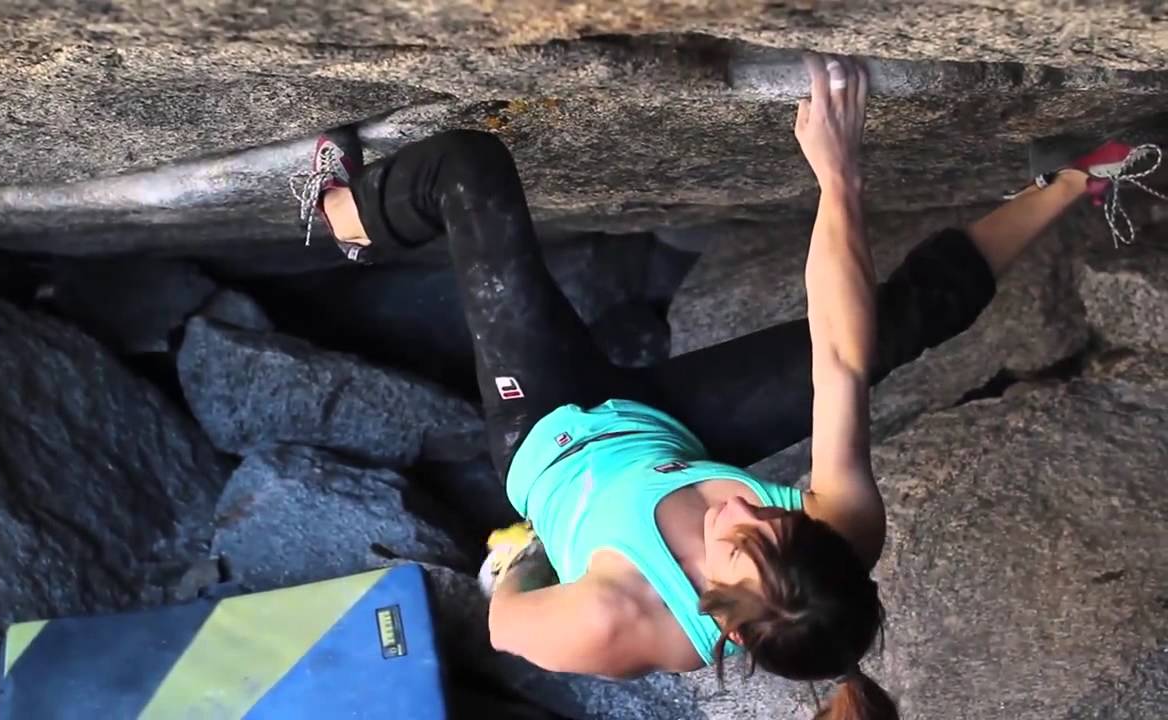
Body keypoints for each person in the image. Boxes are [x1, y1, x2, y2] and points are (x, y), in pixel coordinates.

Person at [291, 54, 1162, 720]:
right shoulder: (839, 534)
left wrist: (521, 557)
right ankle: (1076, 183)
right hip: (667, 431)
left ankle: (344, 217)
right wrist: (838, 177)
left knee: (470, 172)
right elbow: (841, 354)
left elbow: (504, 624)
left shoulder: (616, 621)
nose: (741, 508)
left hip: (547, 428)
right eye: (777, 513)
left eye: (740, 539)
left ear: (726, 623)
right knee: (893, 325)